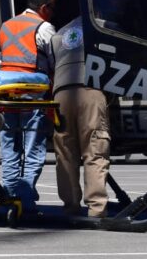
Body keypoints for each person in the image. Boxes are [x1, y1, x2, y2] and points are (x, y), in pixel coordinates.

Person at [0, 0, 56, 213]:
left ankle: (11, 193)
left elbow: (1, 57)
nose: (53, 12)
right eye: (52, 7)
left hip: (6, 93)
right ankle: (25, 197)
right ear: (43, 8)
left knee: (10, 143)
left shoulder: (6, 25)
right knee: (33, 145)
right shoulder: (44, 28)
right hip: (33, 93)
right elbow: (54, 61)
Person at [52, 16, 111, 218]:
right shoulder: (104, 26)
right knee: (94, 149)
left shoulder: (60, 33)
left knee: (65, 153)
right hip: (90, 89)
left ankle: (70, 207)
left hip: (60, 93)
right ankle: (97, 209)